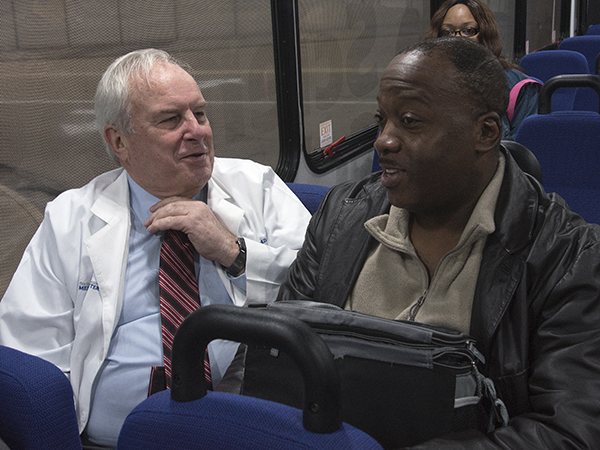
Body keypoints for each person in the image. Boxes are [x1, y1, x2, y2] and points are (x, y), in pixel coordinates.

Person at [277, 37, 600, 448]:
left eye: (410, 122)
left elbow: (572, 429)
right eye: (382, 121)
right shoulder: (342, 216)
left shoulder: (566, 253)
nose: (383, 141)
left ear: (484, 132)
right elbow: (273, 349)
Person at [0, 48, 311, 448]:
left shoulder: (258, 187)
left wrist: (234, 252)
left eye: (200, 114)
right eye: (171, 119)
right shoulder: (70, 219)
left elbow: (321, 291)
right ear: (119, 142)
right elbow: (30, 352)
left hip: (244, 429)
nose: (197, 130)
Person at [425, 0, 539, 141]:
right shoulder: (426, 85)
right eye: (447, 32)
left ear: (485, 34)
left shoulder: (519, 88)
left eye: (468, 31)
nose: (456, 39)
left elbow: (524, 150)